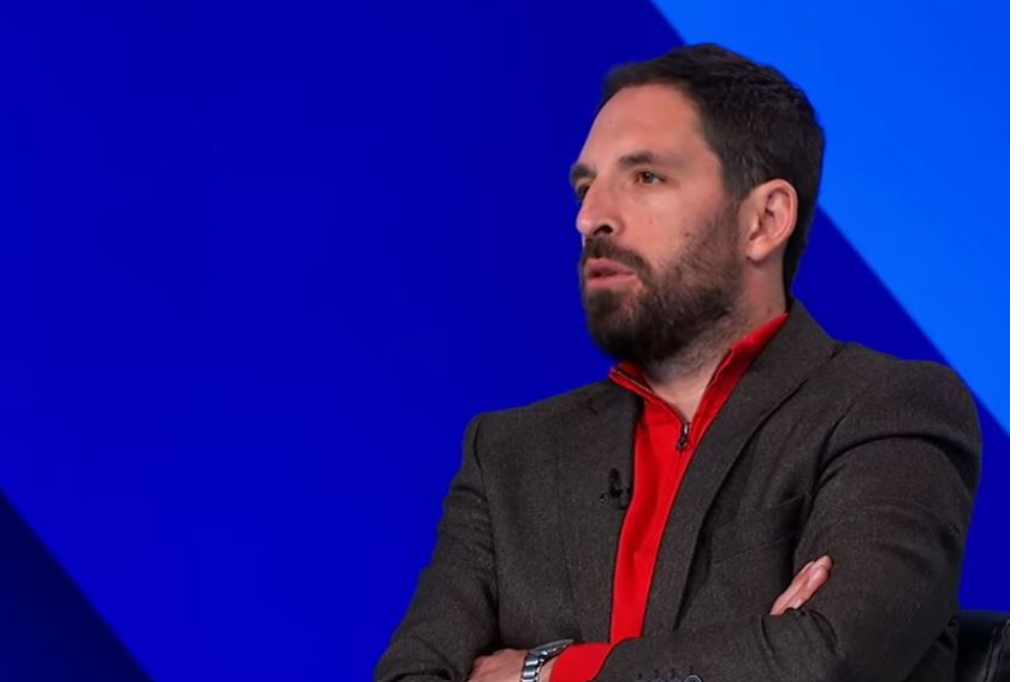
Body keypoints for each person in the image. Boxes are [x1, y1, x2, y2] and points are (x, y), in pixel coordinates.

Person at [375, 44, 980, 682]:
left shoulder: (885, 411)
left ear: (764, 220)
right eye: (585, 187)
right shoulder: (507, 454)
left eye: (646, 177)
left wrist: (547, 670)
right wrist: (757, 649)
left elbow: (829, 657)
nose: (589, 218)